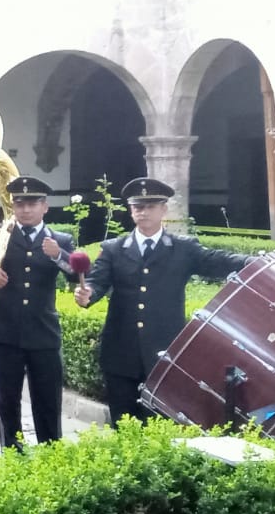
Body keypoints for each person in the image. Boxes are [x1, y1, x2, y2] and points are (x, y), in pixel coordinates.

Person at [75, 177, 250, 424]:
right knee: (123, 425)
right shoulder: (114, 248)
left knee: (161, 425)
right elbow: (97, 282)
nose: (143, 212)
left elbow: (216, 261)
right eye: (137, 206)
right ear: (130, 210)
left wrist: (251, 262)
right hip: (121, 354)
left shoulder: (183, 248)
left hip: (165, 354)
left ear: (163, 209)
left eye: (150, 206)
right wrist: (87, 294)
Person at [0, 176, 77, 448]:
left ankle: (51, 459)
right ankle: (13, 459)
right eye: (19, 203)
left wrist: (59, 255)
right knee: (7, 402)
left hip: (43, 334)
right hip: (3, 332)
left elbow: (78, 274)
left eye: (32, 203)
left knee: (48, 402)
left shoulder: (60, 239)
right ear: (12, 206)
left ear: (45, 207)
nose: (25, 209)